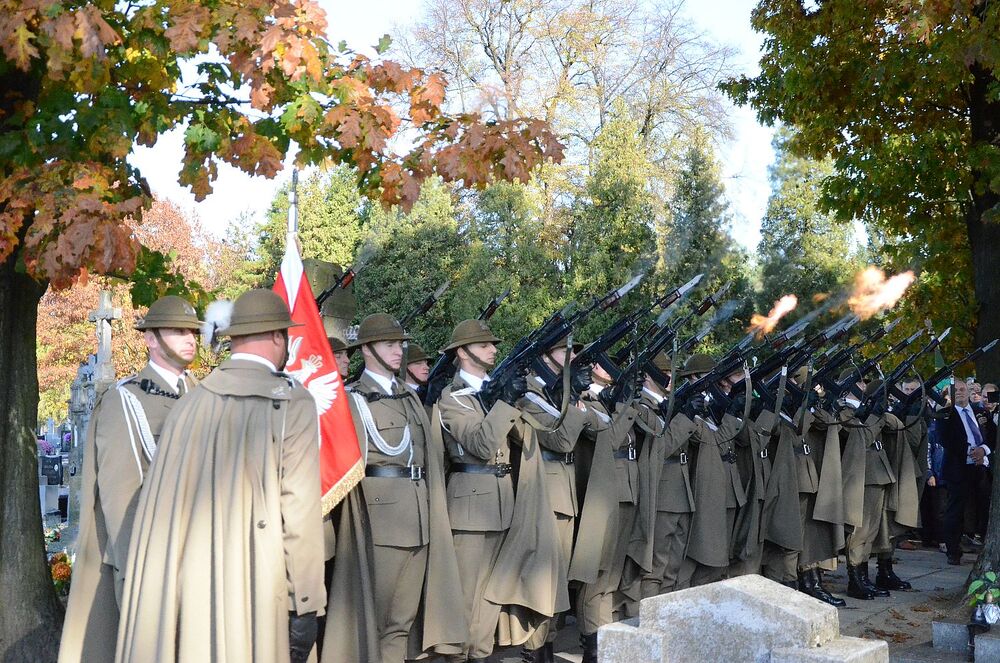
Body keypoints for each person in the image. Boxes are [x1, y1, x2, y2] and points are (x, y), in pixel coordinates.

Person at [114, 289, 326, 663]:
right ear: (279, 337)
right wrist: (305, 600)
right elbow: (300, 511)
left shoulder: (192, 402)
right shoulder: (292, 403)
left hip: (194, 586)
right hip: (263, 585)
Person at [59, 296, 200, 663]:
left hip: (200, 556)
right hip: (152, 560)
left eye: (194, 331)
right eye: (179, 330)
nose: (190, 338)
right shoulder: (126, 401)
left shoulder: (204, 396)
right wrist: (137, 572)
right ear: (150, 339)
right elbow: (121, 498)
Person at [323, 314, 465, 663]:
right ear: (367, 350)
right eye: (389, 344)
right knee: (374, 619)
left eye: (399, 343)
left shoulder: (409, 397)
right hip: (380, 523)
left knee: (402, 622)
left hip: (419, 518)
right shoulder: (353, 399)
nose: (398, 350)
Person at [435, 320, 524, 662]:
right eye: (485, 345)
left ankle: (480, 654)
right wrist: (506, 402)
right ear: (463, 352)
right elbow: (481, 444)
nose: (494, 349)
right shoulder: (452, 398)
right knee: (464, 598)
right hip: (470, 508)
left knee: (490, 598)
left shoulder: (492, 390)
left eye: (493, 345)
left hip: (501, 504)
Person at [517, 339, 591, 663]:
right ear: (546, 354)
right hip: (545, 493)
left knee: (558, 584)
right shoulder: (530, 392)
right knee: (543, 582)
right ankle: (533, 650)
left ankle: (547, 644)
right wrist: (573, 399)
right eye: (566, 351)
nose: (573, 357)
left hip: (565, 494)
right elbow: (560, 438)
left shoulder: (552, 391)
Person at [573, 359, 637, 663]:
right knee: (596, 576)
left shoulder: (603, 401)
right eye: (600, 363)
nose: (610, 367)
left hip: (625, 488)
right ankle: (592, 643)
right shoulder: (584, 400)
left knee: (612, 574)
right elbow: (608, 438)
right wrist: (626, 405)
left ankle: (604, 634)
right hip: (601, 492)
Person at [940, 379, 992, 565]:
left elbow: (992, 437)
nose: (960, 393)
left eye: (963, 389)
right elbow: (946, 440)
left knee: (985, 507)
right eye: (956, 390)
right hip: (958, 468)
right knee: (956, 510)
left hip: (980, 468)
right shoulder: (945, 414)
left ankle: (985, 543)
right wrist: (971, 451)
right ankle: (953, 551)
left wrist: (983, 450)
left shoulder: (980, 412)